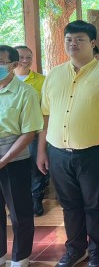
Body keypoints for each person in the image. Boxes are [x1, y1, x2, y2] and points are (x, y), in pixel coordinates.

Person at [38, 21, 99, 267]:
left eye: (79, 39)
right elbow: (46, 115)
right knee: (69, 205)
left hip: (95, 153)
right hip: (58, 153)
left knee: (96, 205)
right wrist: (41, 151)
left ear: (93, 43)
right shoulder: (54, 74)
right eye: (69, 39)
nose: (73, 44)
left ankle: (98, 251)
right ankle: (76, 249)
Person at [0, 45, 44, 267]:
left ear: (13, 65)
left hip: (14, 159)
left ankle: (20, 257)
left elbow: (29, 132)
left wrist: (4, 160)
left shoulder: (25, 92)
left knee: (19, 213)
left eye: (1, 62)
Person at [13, 45, 47, 216]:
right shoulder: (7, 79)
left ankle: (36, 200)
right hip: (11, 134)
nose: (25, 61)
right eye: (21, 57)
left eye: (29, 57)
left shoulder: (42, 80)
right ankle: (19, 203)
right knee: (16, 169)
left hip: (34, 132)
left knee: (35, 166)